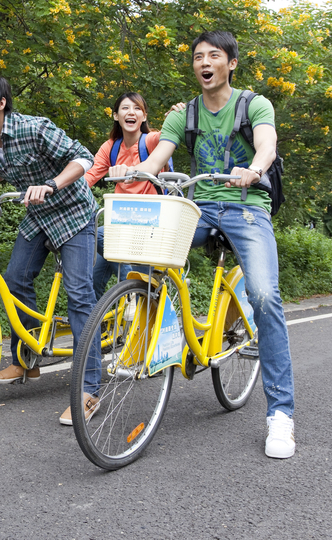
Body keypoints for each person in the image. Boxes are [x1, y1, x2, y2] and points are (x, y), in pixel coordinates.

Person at [109, 30, 296, 459]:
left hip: (248, 206)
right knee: (146, 254)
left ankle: (281, 415)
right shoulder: (184, 114)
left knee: (265, 295)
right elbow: (158, 160)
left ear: (231, 63)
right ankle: (163, 339)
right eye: (198, 57)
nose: (204, 62)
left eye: (214, 56)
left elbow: (266, 144)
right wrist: (133, 172)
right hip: (200, 206)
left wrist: (254, 168)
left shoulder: (254, 104)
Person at [0, 66, 102, 426]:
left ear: (0, 103)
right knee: (15, 279)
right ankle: (27, 361)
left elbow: (84, 158)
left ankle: (91, 389)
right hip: (37, 216)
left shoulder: (35, 128)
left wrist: (52, 183)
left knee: (79, 296)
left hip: (74, 214)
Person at [85, 92, 171, 297]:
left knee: (101, 236)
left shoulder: (150, 141)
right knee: (93, 279)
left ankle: (131, 294)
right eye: (125, 108)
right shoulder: (111, 147)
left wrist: (174, 117)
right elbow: (89, 177)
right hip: (122, 221)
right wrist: (58, 188)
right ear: (116, 116)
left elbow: (169, 136)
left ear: (144, 116)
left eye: (137, 109)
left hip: (151, 222)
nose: (131, 112)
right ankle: (98, 324)